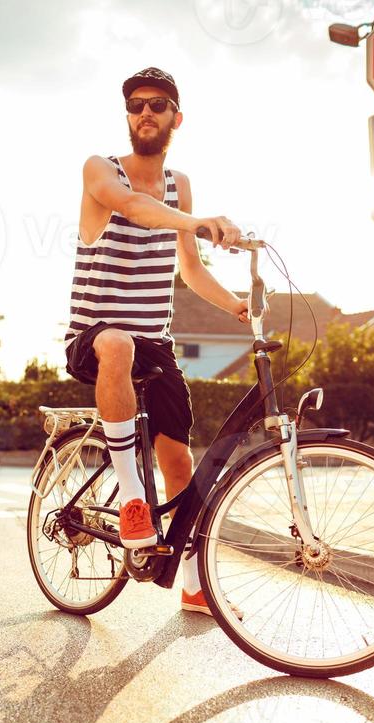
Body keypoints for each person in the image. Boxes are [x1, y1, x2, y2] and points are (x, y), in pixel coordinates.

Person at [65, 67, 249, 615]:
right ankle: (132, 503)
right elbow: (134, 209)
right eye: (136, 104)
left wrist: (239, 306)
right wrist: (198, 221)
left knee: (180, 463)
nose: (145, 112)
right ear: (127, 116)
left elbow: (190, 271)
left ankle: (193, 586)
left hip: (155, 342)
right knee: (117, 343)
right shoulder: (101, 169)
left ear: (176, 117)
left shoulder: (180, 187)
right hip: (93, 336)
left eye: (158, 104)